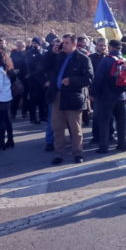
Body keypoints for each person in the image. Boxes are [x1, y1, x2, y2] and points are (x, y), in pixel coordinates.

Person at [48, 33, 93, 164]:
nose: (64, 45)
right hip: (57, 95)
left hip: (73, 97)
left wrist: (72, 80)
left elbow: (89, 78)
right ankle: (59, 153)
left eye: (67, 43)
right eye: (63, 42)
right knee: (57, 126)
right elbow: (45, 66)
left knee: (75, 128)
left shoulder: (83, 59)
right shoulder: (59, 57)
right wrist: (51, 53)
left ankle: (78, 152)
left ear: (74, 44)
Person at [90, 39, 126, 154]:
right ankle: (122, 144)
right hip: (121, 96)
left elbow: (98, 78)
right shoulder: (125, 60)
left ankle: (104, 146)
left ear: (110, 47)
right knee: (121, 122)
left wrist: (93, 93)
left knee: (104, 122)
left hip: (106, 96)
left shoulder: (106, 60)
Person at [25, 37, 46, 124]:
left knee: (42, 99)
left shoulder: (44, 51)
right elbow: (29, 64)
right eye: (33, 43)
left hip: (42, 79)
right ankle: (33, 118)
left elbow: (45, 62)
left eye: (36, 43)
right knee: (33, 99)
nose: (35, 45)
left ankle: (42, 116)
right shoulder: (29, 52)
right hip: (33, 79)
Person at [9, 40, 28, 120]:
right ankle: (13, 113)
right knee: (15, 96)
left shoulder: (27, 54)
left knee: (25, 96)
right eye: (18, 46)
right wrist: (13, 71)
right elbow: (10, 64)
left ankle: (24, 112)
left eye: (21, 46)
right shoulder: (13, 54)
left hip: (25, 77)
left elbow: (29, 65)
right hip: (15, 77)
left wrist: (28, 73)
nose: (19, 47)